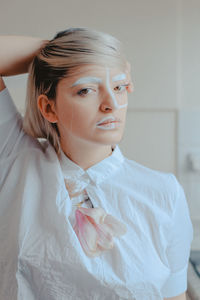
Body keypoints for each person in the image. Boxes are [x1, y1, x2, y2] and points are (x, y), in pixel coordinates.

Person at [0, 28, 193, 300]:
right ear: (48, 108)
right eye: (87, 90)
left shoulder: (164, 192)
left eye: (118, 87)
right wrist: (61, 50)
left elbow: (175, 296)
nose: (111, 104)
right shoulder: (15, 159)